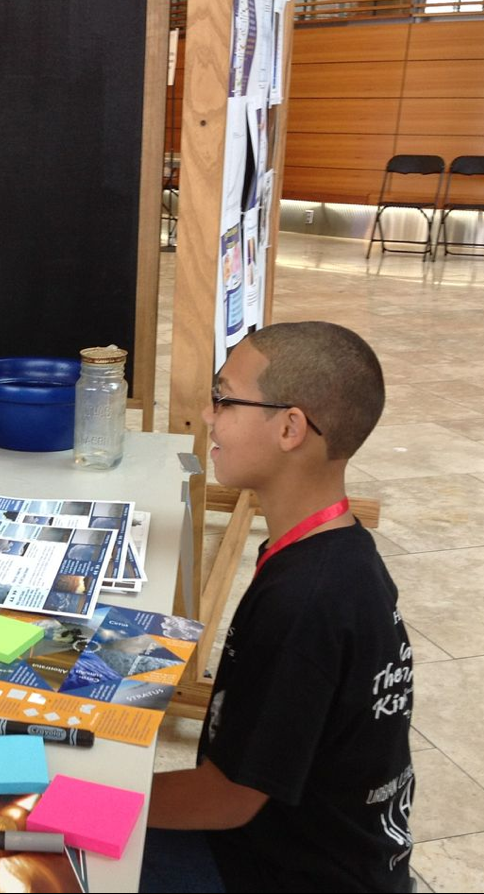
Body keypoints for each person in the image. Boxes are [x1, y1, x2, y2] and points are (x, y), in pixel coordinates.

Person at [141, 322, 414, 893]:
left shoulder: (307, 602)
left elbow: (227, 799)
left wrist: (68, 794)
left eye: (224, 399)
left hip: (276, 872)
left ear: (290, 427)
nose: (210, 416)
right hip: (301, 847)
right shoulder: (337, 550)